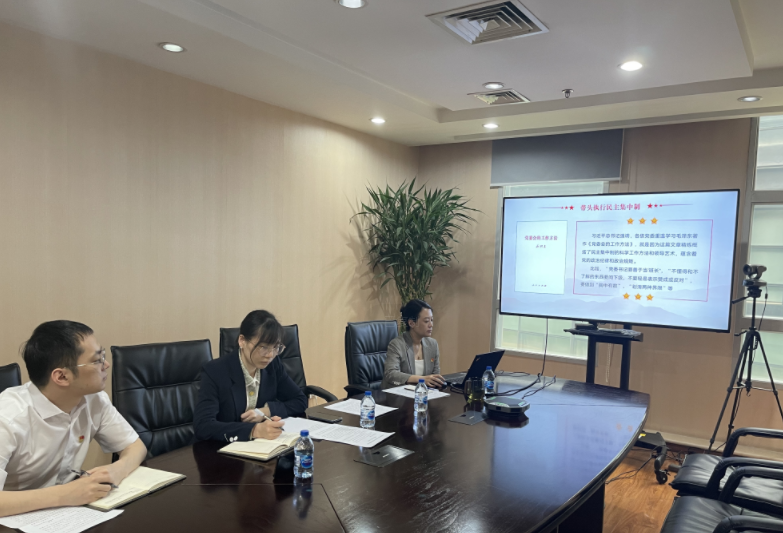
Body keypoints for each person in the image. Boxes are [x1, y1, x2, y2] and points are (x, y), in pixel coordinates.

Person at [0, 321, 147, 518]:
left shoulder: (94, 399)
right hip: (15, 519)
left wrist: (117, 470)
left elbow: (135, 446)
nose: (106, 365)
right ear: (61, 377)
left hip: (68, 513)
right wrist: (64, 495)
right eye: (97, 360)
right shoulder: (8, 418)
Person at [194, 310, 308, 442]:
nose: (270, 355)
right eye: (263, 347)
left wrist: (265, 412)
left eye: (276, 347)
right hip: (221, 447)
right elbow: (203, 426)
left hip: (261, 446)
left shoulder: (273, 365)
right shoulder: (215, 371)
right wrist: (254, 430)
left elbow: (300, 400)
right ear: (242, 341)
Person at [382, 299, 445, 389]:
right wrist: (421, 379)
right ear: (411, 323)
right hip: (398, 394)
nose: (431, 325)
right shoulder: (396, 344)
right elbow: (391, 374)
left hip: (423, 393)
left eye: (432, 320)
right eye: (426, 321)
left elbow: (435, 375)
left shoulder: (432, 344)